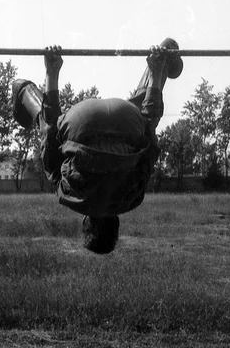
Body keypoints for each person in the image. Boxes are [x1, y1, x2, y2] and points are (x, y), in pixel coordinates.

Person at [12, 39, 183, 254]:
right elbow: (49, 134)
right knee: (47, 124)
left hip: (126, 117)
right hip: (81, 121)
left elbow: (149, 140)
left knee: (140, 127)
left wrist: (157, 75)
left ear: (117, 224)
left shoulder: (133, 198)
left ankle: (158, 64)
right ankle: (22, 89)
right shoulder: (67, 196)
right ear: (86, 222)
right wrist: (51, 72)